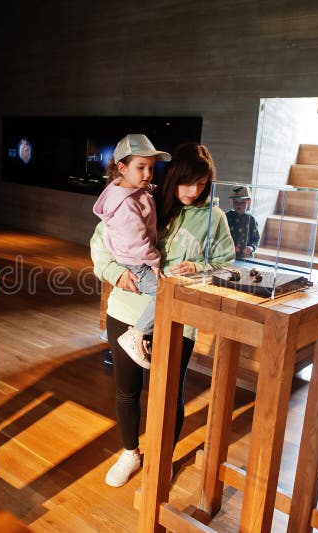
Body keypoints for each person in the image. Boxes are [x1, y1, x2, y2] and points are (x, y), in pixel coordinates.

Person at [91, 142, 235, 488]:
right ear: (172, 179)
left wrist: (200, 269)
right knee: (127, 390)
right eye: (187, 183)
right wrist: (115, 274)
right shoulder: (145, 200)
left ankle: (162, 459)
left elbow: (228, 265)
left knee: (170, 394)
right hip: (125, 309)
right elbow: (100, 242)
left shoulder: (214, 217)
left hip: (176, 319)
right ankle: (130, 452)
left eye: (201, 184)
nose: (193, 191)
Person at [92, 134, 171, 369]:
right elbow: (138, 243)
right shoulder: (127, 205)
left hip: (131, 259)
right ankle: (137, 334)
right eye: (140, 167)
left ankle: (111, 334)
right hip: (136, 262)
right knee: (164, 292)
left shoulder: (129, 190)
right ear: (122, 168)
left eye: (151, 168)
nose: (147, 174)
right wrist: (156, 262)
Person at [226, 185, 260, 259]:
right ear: (231, 201)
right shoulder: (227, 217)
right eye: (235, 202)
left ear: (249, 201)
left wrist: (251, 247)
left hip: (246, 257)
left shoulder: (251, 219)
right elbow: (223, 236)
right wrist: (230, 246)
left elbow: (256, 238)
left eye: (242, 202)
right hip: (230, 256)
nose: (238, 204)